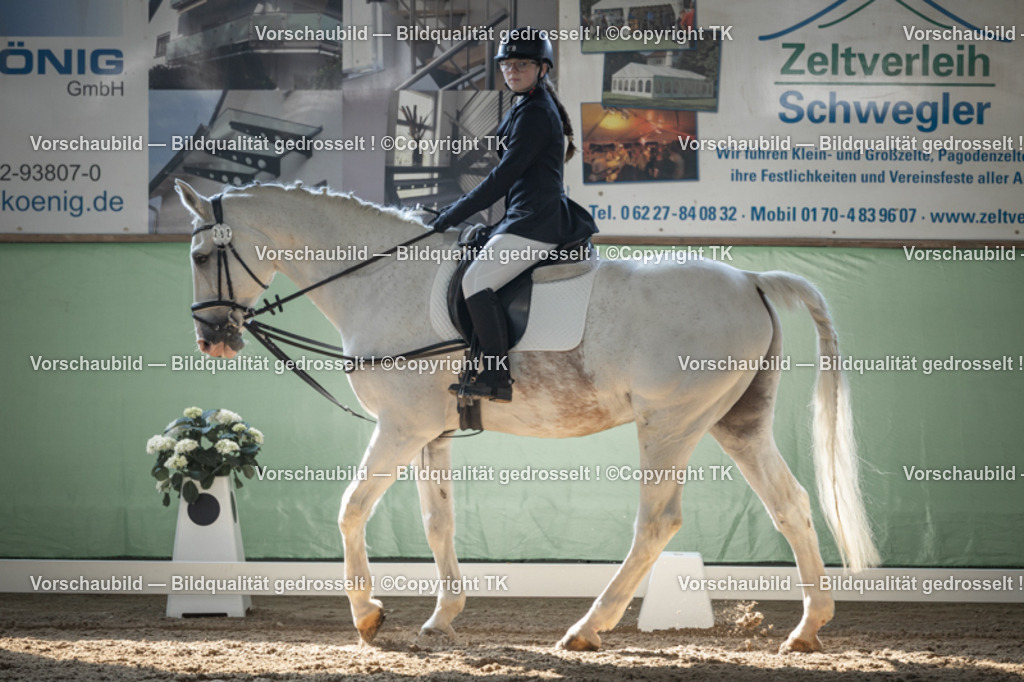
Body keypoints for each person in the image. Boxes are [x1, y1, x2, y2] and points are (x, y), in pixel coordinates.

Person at [429, 27, 598, 403]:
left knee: (475, 282)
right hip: (524, 216)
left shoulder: (536, 112)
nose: (512, 71)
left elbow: (502, 178)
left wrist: (453, 213)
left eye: (522, 64)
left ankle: (497, 377)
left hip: (535, 223)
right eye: (507, 64)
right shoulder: (527, 105)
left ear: (542, 68)